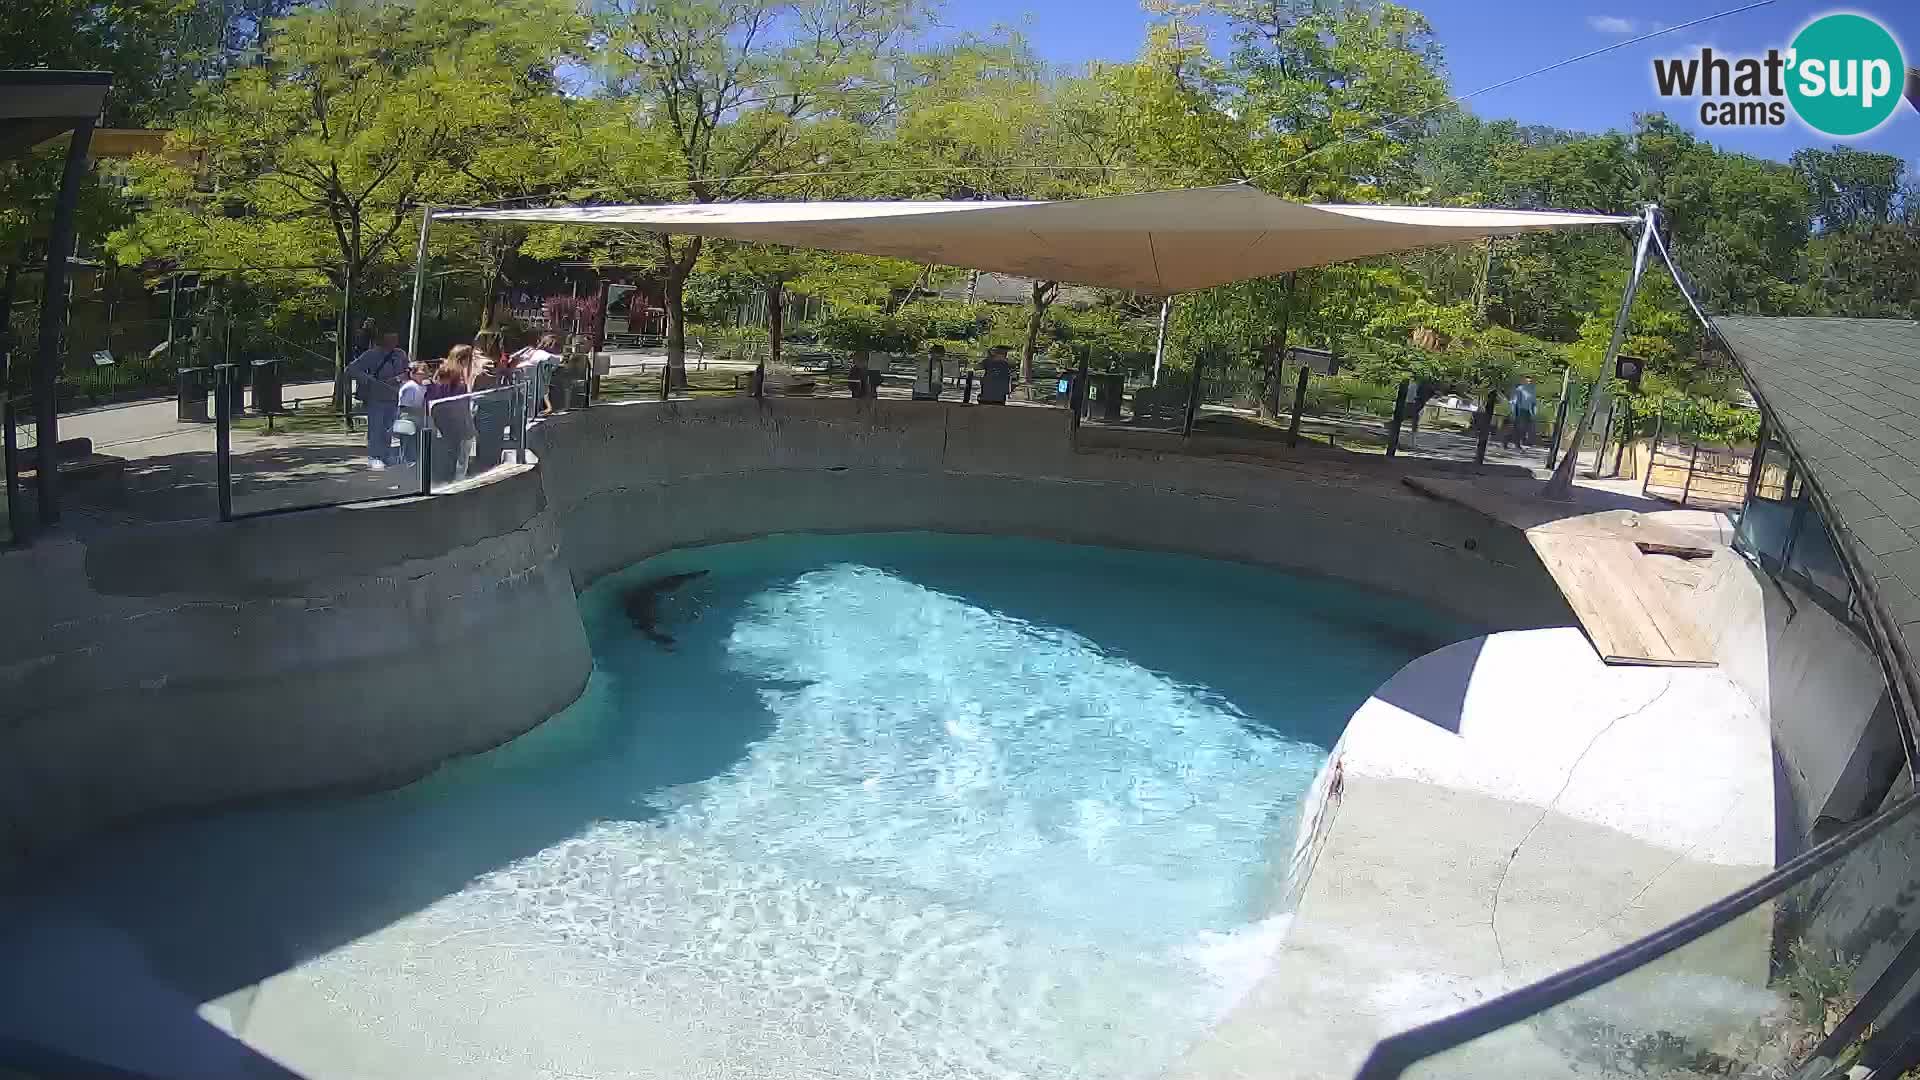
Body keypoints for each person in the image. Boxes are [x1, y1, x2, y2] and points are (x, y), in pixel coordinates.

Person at [349, 330, 408, 469]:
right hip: (376, 397)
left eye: (395, 338)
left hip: (394, 396)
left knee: (389, 428)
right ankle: (374, 457)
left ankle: (386, 455)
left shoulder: (400, 354)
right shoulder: (372, 354)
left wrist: (401, 377)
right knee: (376, 428)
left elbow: (407, 369)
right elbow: (352, 369)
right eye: (390, 338)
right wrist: (368, 379)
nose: (394, 341)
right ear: (383, 339)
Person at [427, 346, 477, 485]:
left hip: (443, 416)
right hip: (455, 417)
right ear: (464, 358)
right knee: (460, 450)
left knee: (451, 449)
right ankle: (456, 479)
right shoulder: (457, 373)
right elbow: (457, 398)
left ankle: (447, 478)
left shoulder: (443, 370)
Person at [470, 329, 511, 476]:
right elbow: (490, 380)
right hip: (490, 406)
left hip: (480, 404)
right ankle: (488, 473)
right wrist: (505, 370)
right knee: (490, 445)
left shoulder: (473, 358)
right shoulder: (487, 363)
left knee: (484, 444)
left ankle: (484, 470)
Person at [395, 361, 430, 468]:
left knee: (416, 444)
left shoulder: (422, 386)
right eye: (420, 373)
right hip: (408, 416)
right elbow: (404, 405)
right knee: (408, 444)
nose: (424, 375)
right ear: (413, 373)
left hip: (418, 416)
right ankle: (406, 465)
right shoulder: (410, 386)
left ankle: (414, 464)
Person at [1506, 375, 1539, 450]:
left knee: (1523, 428)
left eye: (1530, 381)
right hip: (1520, 410)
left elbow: (1533, 402)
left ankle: (1513, 442)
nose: (1529, 382)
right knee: (1518, 428)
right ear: (1524, 381)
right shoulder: (1520, 389)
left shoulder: (1532, 390)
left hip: (1527, 411)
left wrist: (1534, 412)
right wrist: (1515, 412)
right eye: (1527, 381)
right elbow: (1515, 401)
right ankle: (1512, 442)